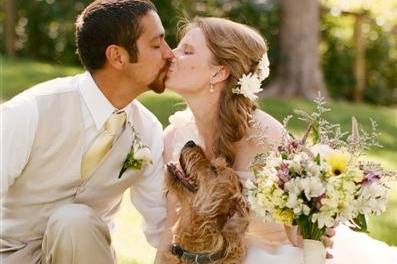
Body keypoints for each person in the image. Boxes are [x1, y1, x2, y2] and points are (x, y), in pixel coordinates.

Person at [158, 16, 397, 264]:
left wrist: (313, 231)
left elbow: (303, 225)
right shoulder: (176, 135)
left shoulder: (264, 136)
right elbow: (172, 225)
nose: (170, 55)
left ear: (219, 72)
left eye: (187, 51)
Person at [0, 1, 173, 263]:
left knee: (74, 221)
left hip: (85, 255)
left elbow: (161, 226)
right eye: (157, 45)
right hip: (10, 254)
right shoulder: (31, 112)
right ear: (117, 56)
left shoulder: (147, 131)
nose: (170, 54)